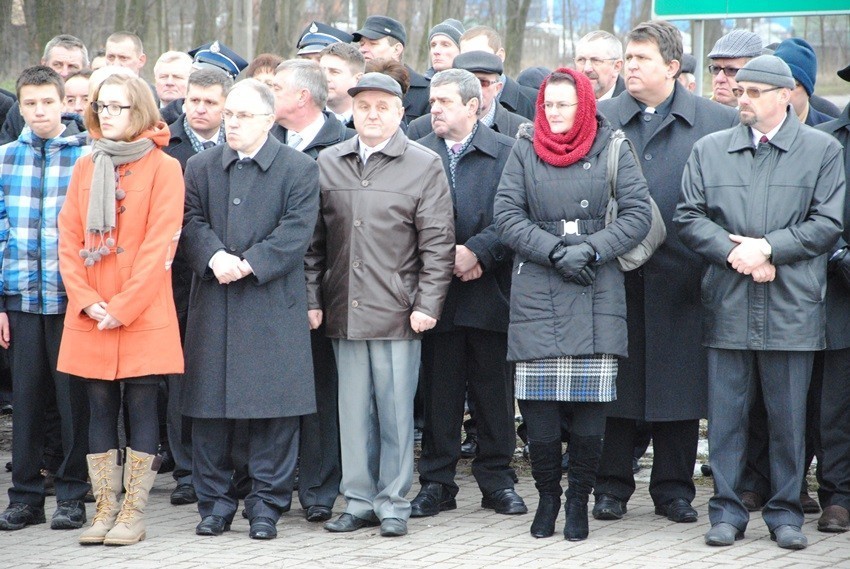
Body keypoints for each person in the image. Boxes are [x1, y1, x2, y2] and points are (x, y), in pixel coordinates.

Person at [675, 54, 845, 550]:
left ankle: (786, 513)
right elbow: (688, 215)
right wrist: (738, 254)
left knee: (789, 420)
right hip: (728, 301)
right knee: (726, 418)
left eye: (752, 92)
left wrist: (768, 248)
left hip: (792, 306)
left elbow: (827, 223)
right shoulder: (711, 149)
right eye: (739, 90)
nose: (740, 98)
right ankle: (726, 511)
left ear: (784, 95)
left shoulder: (821, 150)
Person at [495, 68, 651, 541]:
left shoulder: (613, 145)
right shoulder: (524, 145)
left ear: (585, 106)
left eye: (564, 104)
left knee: (590, 408)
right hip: (537, 284)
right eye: (547, 105)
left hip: (596, 285)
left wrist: (593, 248)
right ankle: (547, 499)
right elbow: (505, 214)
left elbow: (639, 213)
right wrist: (556, 251)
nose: (554, 113)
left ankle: (578, 502)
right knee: (538, 407)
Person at [592, 20, 738, 525]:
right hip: (616, 276)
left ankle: (674, 489)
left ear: (672, 68)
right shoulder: (601, 116)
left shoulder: (715, 121)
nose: (629, 67)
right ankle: (610, 485)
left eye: (641, 59)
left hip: (688, 277)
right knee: (618, 385)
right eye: (628, 58)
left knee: (681, 386)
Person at [306, 72, 455, 538]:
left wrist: (427, 303)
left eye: (382, 106)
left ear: (400, 112)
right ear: (351, 111)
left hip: (399, 310)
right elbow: (312, 243)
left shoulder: (424, 164)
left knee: (393, 413)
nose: (371, 114)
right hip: (343, 308)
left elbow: (438, 244)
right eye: (363, 105)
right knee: (351, 414)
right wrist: (313, 298)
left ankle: (393, 502)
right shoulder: (328, 162)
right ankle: (357, 500)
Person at [180, 79, 319, 541]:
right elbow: (188, 220)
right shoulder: (200, 166)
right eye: (229, 114)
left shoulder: (299, 169)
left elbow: (297, 231)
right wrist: (213, 255)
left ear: (267, 120)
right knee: (208, 411)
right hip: (214, 301)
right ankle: (215, 503)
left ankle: (266, 505)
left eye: (242, 115)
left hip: (271, 303)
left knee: (273, 413)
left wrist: (251, 263)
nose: (232, 122)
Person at [57, 73, 185, 546]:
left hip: (141, 309)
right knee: (97, 406)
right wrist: (89, 302)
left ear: (141, 112)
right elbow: (68, 240)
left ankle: (133, 512)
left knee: (142, 402)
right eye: (102, 106)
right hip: (92, 312)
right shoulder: (85, 165)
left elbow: (160, 244)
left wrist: (123, 306)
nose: (107, 114)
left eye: (118, 107)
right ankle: (104, 510)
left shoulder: (165, 167)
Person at [413, 68, 525, 521]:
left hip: (490, 290)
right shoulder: (417, 151)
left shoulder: (507, 151)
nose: (433, 108)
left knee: (493, 395)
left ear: (473, 105)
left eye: (444, 102)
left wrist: (477, 251)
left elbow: (519, 211)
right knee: (439, 393)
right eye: (432, 101)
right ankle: (436, 484)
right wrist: (446, 258)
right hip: (434, 295)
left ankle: (497, 480)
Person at [0, 66, 91, 532]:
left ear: (64, 105)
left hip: (71, 298)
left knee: (72, 399)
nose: (38, 111)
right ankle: (25, 496)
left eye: (47, 103)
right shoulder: (4, 161)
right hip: (21, 300)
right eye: (29, 103)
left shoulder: (88, 158)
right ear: (19, 105)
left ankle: (73, 494)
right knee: (28, 400)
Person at [269, 58, 352, 523]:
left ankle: (319, 489)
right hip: (270, 289)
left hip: (327, 290)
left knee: (321, 390)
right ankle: (272, 485)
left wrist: (317, 293)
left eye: (277, 87)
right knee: (275, 390)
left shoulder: (343, 145)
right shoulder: (267, 142)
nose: (269, 93)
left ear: (302, 96)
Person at [162, 67, 233, 508]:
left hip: (226, 276)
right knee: (180, 377)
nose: (201, 109)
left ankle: (227, 464)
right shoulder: (166, 145)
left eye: (210, 102)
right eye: (194, 101)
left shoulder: (241, 139)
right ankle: (187, 469)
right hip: (176, 280)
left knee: (220, 374)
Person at [815, 62, 850, 533]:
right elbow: (812, 214)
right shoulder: (826, 143)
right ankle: (838, 495)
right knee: (836, 405)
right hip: (841, 292)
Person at [407, 51, 525, 140]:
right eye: (465, 84)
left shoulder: (520, 130)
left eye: (482, 82)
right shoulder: (420, 129)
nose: (475, 89)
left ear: (497, 88)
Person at [1, 34, 89, 145]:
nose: (64, 72)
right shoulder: (21, 107)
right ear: (44, 63)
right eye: (57, 64)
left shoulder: (97, 103)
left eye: (72, 67)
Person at [352, 15, 430, 124]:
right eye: (362, 44)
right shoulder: (354, 84)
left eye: (373, 43)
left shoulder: (425, 92)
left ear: (397, 50)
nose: (362, 49)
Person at [459, 26, 538, 120]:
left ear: (500, 56)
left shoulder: (533, 102)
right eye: (465, 58)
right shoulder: (452, 101)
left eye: (481, 56)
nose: (473, 64)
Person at [774, 38, 833, 127]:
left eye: (791, 85)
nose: (782, 93)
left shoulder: (831, 133)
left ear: (808, 90)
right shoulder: (754, 129)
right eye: (775, 84)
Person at [707, 29, 763, 108]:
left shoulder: (768, 119)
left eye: (731, 70)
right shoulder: (699, 115)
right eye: (716, 69)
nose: (719, 79)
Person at [320, 43, 365, 127]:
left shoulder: (369, 121)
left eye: (334, 72)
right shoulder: (304, 117)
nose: (325, 78)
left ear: (357, 79)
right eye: (321, 71)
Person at [574, 30, 625, 101]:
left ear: (617, 66)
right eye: (581, 60)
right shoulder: (566, 101)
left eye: (596, 60)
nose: (587, 68)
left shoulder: (636, 104)